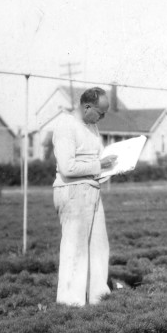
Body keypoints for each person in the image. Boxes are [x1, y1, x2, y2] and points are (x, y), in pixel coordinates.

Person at [52, 87, 118, 306]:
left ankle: (99, 297)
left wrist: (113, 168)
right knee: (75, 248)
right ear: (87, 107)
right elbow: (67, 167)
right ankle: (70, 302)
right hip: (72, 191)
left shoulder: (92, 127)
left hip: (92, 189)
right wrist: (100, 165)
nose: (103, 117)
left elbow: (95, 162)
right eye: (101, 112)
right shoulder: (66, 125)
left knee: (99, 245)